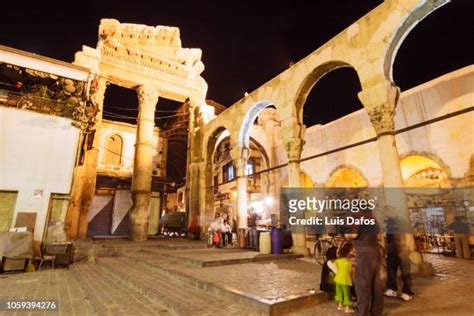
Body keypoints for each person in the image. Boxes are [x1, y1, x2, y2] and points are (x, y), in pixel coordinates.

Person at [351, 208, 383, 316]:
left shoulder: (357, 216)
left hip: (363, 252)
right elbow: (379, 236)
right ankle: (376, 312)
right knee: (376, 283)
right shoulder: (373, 218)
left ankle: (362, 313)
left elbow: (353, 234)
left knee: (362, 283)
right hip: (375, 250)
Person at [384, 233, 414, 302]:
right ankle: (392, 289)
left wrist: (410, 244)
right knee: (391, 268)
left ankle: (407, 292)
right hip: (391, 246)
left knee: (405, 270)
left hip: (403, 246)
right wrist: (386, 247)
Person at [334, 243, 355, 313]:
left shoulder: (337, 261)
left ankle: (340, 306)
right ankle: (347, 308)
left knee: (339, 292)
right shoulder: (349, 263)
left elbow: (337, 270)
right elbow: (352, 272)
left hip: (337, 279)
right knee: (346, 294)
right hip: (345, 280)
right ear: (348, 253)